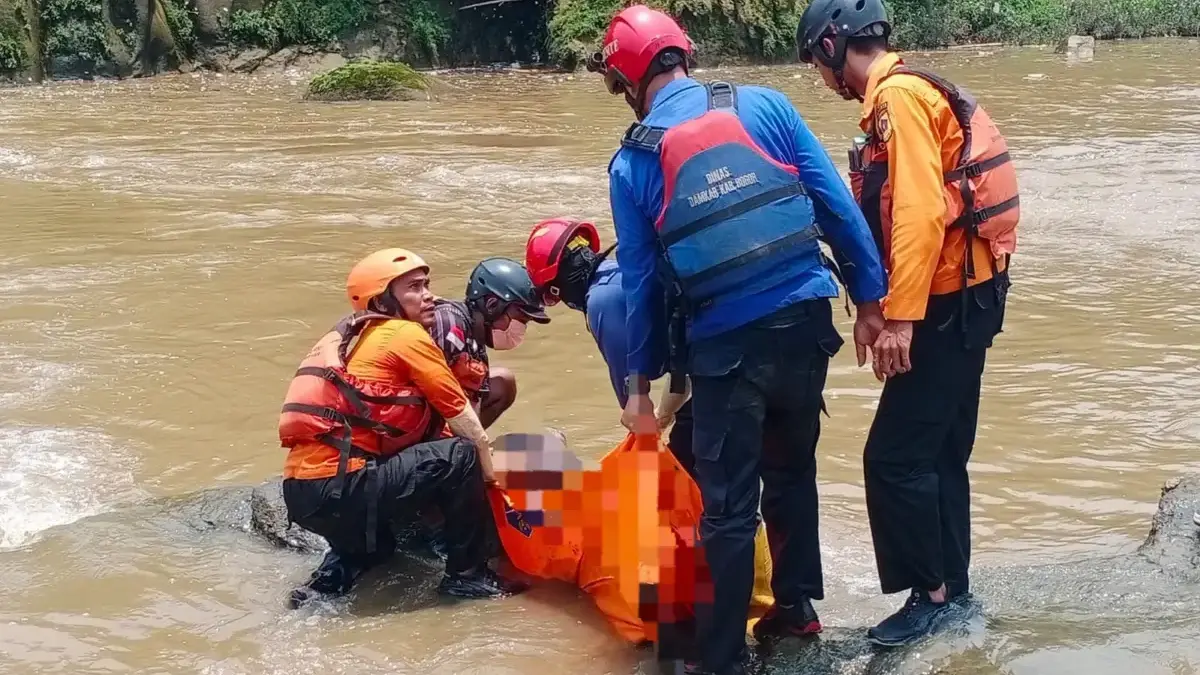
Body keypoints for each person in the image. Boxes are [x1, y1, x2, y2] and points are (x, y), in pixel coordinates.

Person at [587, 6, 889, 674]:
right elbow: (835, 204)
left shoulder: (631, 163)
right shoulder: (768, 105)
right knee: (793, 470)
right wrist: (871, 300)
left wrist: (642, 388)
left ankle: (721, 658)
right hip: (808, 323)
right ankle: (798, 609)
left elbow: (642, 285)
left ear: (630, 77)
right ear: (682, 54)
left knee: (727, 509)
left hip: (727, 347)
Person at [796, 0, 1018, 647]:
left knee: (893, 457)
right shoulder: (914, 92)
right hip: (971, 297)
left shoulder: (898, 101)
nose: (822, 78)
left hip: (946, 304)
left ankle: (931, 596)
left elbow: (918, 215)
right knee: (941, 450)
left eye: (818, 62)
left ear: (835, 47)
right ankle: (954, 584)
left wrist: (899, 320)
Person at [278, 248, 529, 608]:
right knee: (460, 455)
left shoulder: (350, 336)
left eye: (426, 284)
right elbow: (464, 423)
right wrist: (491, 482)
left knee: (377, 549)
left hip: (303, 495)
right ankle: (468, 577)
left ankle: (322, 588)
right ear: (382, 300)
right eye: (413, 287)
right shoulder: (405, 335)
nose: (428, 294)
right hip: (345, 486)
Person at [430, 256, 550, 429]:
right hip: (416, 418)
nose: (521, 328)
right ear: (492, 305)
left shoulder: (475, 338)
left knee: (503, 383)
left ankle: (465, 444)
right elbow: (432, 390)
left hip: (444, 414)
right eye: (521, 320)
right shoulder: (449, 326)